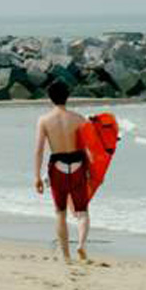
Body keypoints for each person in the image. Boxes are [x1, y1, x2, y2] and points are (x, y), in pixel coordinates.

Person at [34, 81, 90, 263]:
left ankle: (66, 256)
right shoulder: (79, 118)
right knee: (82, 212)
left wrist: (37, 176)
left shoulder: (44, 120)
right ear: (68, 96)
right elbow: (90, 148)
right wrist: (93, 172)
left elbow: (39, 150)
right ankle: (81, 244)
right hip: (78, 165)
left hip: (57, 165)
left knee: (60, 212)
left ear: (50, 98)